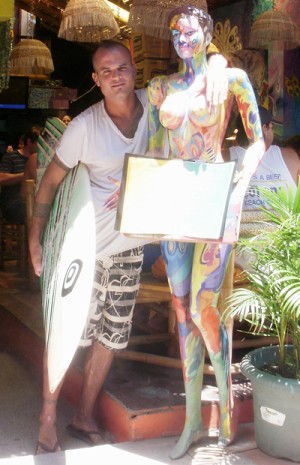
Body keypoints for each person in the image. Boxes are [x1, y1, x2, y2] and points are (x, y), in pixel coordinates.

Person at [29, 40, 229, 454]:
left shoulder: (157, 106)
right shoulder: (84, 127)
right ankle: (48, 412)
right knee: (69, 330)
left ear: (134, 70)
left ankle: (84, 416)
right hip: (84, 248)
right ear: (96, 80)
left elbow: (203, 84)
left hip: (129, 248)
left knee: (110, 336)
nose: (116, 75)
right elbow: (49, 184)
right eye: (106, 71)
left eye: (122, 67)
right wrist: (36, 237)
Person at [147, 4, 265, 460]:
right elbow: (158, 147)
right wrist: (139, 189)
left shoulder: (230, 79)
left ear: (207, 33)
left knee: (203, 305)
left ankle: (227, 405)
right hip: (175, 206)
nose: (182, 39)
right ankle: (194, 418)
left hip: (214, 202)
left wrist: (239, 186)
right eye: (176, 32)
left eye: (190, 31)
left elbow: (257, 141)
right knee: (180, 308)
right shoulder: (162, 87)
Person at [223, 107, 299, 271]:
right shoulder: (291, 157)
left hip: (235, 269)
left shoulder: (224, 158)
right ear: (264, 128)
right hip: (282, 268)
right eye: (271, 127)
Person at [0, 130, 39, 224]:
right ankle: (31, 238)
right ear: (29, 142)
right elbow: (1, 179)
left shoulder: (40, 159)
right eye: (39, 143)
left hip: (33, 200)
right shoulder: (11, 157)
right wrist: (25, 174)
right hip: (13, 203)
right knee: (34, 214)